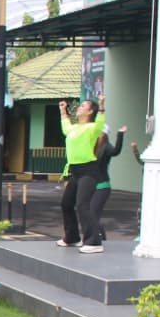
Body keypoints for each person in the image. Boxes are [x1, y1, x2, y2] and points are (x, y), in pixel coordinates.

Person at [57, 94, 106, 249]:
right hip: (75, 172)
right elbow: (65, 127)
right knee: (66, 204)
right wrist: (63, 111)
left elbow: (100, 123)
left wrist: (102, 105)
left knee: (82, 205)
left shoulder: (92, 128)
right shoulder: (74, 128)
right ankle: (71, 237)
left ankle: (94, 241)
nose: (79, 107)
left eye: (83, 106)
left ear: (90, 112)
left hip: (88, 170)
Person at [82, 125, 127, 254]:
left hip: (102, 186)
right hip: (90, 186)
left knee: (93, 213)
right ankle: (94, 238)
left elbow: (116, 151)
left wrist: (120, 134)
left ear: (104, 134)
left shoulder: (106, 147)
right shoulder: (92, 147)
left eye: (98, 133)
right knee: (87, 213)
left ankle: (96, 240)